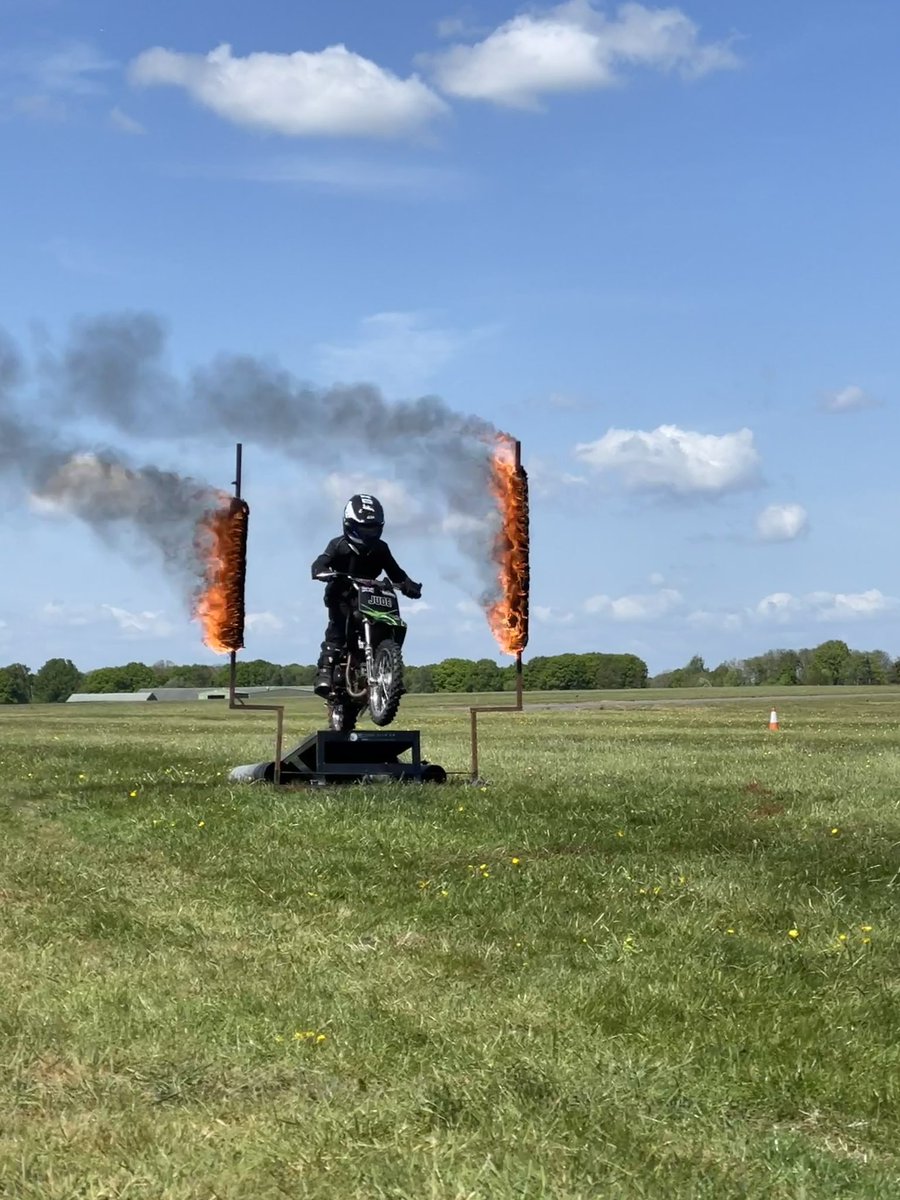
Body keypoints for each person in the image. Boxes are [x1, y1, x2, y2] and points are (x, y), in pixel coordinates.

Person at [311, 494, 422, 697]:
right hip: (342, 595)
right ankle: (325, 672)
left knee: (391, 624)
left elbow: (396, 572)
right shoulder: (338, 545)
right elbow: (321, 562)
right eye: (364, 529)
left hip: (372, 595)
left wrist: (409, 585)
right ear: (350, 525)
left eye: (373, 528)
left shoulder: (381, 549)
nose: (369, 534)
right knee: (337, 628)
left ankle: (389, 671)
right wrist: (322, 571)